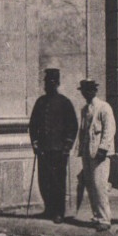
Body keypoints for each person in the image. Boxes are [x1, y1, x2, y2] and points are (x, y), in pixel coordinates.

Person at [28, 68, 78, 223]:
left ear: (57, 83)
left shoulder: (65, 102)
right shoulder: (40, 102)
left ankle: (59, 212)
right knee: (44, 181)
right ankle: (48, 209)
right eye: (46, 82)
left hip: (59, 150)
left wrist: (67, 146)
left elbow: (72, 126)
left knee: (58, 182)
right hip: (43, 149)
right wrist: (35, 143)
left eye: (51, 82)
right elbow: (33, 124)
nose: (48, 85)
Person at [76, 79, 116, 232]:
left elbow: (109, 129)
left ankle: (105, 219)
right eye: (84, 90)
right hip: (87, 151)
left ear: (95, 91)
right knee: (91, 185)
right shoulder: (84, 109)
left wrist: (103, 148)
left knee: (100, 185)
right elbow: (83, 131)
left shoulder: (104, 107)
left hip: (100, 153)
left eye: (89, 90)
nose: (86, 93)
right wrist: (81, 150)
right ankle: (97, 216)